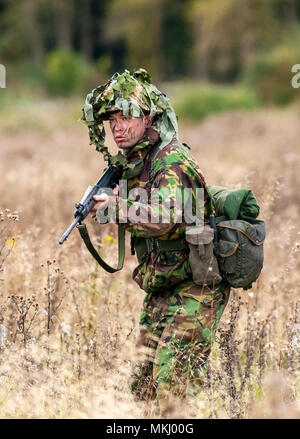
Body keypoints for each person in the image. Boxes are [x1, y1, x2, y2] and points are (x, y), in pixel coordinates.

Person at [82, 69, 231, 416]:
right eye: (111, 120)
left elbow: (164, 219)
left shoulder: (171, 161)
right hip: (162, 289)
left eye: (126, 117)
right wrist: (103, 206)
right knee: (143, 393)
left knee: (172, 394)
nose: (117, 127)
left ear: (148, 117)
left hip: (195, 288)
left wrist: (118, 206)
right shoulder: (137, 164)